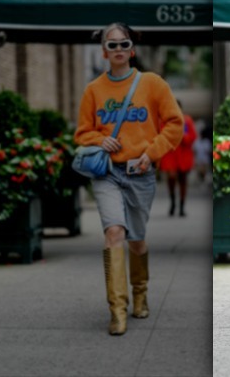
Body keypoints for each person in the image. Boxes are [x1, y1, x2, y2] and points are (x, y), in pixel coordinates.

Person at [74, 22, 183, 336]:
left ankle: (140, 292)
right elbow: (81, 133)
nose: (118, 50)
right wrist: (98, 139)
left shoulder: (152, 84)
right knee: (114, 232)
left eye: (124, 44)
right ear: (104, 51)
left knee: (136, 239)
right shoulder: (93, 90)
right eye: (112, 45)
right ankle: (117, 310)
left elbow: (174, 124)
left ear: (132, 49)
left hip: (141, 173)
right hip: (107, 172)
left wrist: (150, 153)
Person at [159, 99, 197, 217]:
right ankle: (173, 202)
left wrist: (183, 137)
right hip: (170, 154)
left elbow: (193, 136)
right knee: (171, 177)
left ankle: (181, 206)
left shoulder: (187, 121)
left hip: (184, 154)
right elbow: (161, 135)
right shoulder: (164, 121)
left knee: (183, 180)